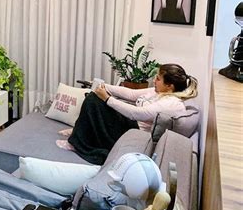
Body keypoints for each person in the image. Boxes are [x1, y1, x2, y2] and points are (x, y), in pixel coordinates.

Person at [56, 64, 198, 165]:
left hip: (133, 130)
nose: (154, 80)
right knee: (94, 97)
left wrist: (107, 98)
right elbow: (130, 93)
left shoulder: (171, 103)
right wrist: (104, 87)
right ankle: (79, 131)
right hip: (129, 124)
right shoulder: (158, 92)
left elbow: (137, 114)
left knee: (94, 101)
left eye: (158, 79)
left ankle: (76, 142)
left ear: (170, 86)